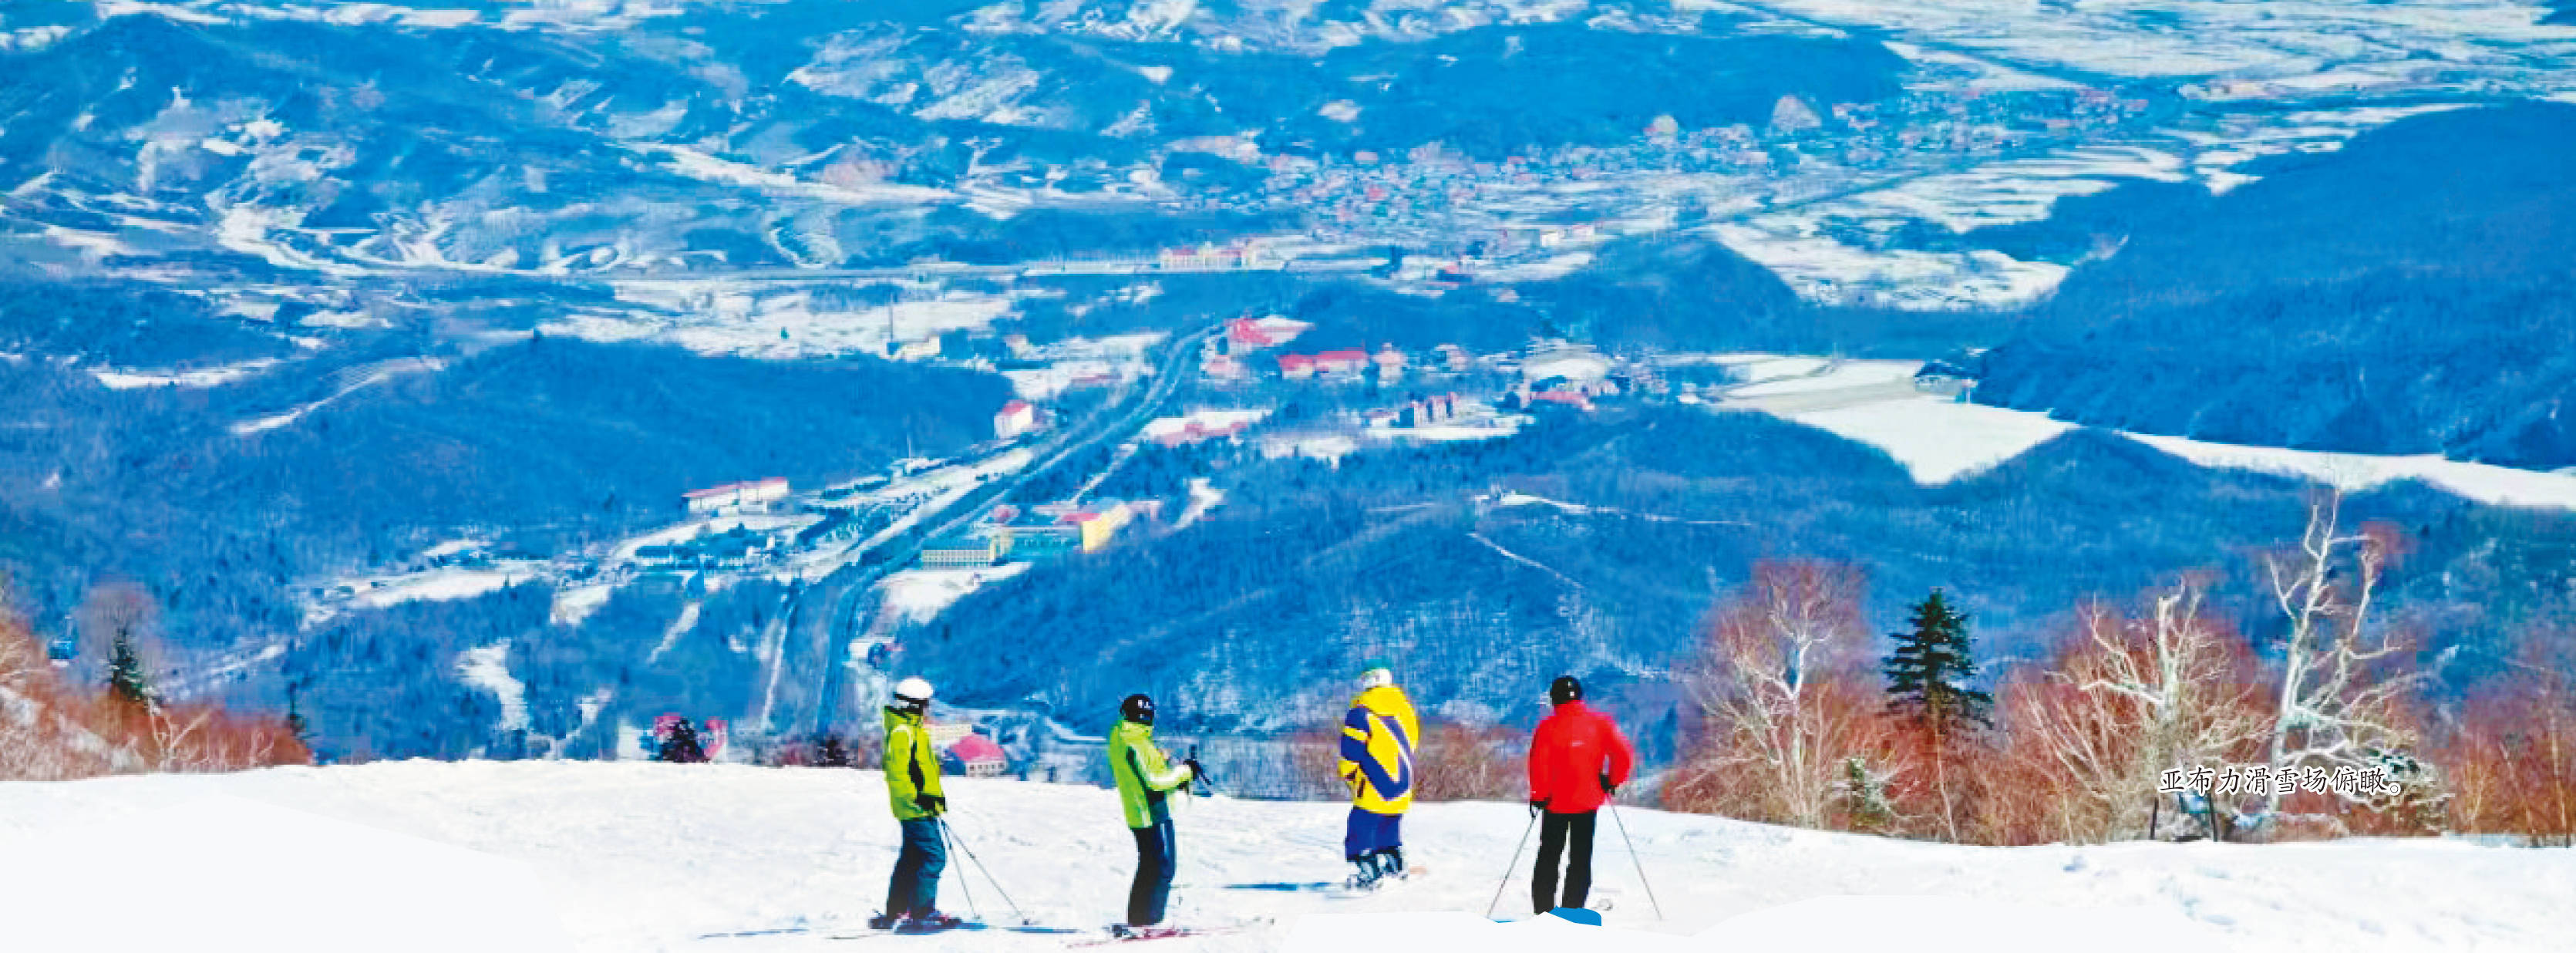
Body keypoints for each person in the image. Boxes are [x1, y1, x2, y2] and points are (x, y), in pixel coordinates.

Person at [1527, 675, 1635, 915]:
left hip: (1555, 804)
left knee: (1549, 856)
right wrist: (1611, 780)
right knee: (1580, 858)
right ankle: (1572, 912)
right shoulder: (1600, 723)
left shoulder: (1547, 728)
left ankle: (1543, 913)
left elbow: (1538, 764)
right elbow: (1624, 754)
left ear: (1554, 699)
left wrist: (1539, 795)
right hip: (1588, 802)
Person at [871, 678, 963, 932]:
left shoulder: (912, 729)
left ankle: (898, 911)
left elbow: (922, 772)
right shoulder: (903, 733)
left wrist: (929, 799)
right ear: (913, 705)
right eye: (925, 704)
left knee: (912, 859)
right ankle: (921, 911)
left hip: (920, 807)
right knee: (934, 856)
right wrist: (917, 799)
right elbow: (898, 775)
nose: (928, 709)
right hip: (914, 809)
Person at [1108, 693, 1200, 932]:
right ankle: (1152, 922)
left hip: (1142, 811)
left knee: (1149, 865)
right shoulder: (1134, 742)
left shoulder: (1127, 737)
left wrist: (1162, 760)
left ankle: (1138, 921)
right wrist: (1185, 773)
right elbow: (1153, 781)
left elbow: (1144, 770)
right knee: (1163, 866)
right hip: (1151, 812)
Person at [1336, 660, 1419, 887]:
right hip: (1402, 778)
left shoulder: (1361, 713)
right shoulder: (1405, 709)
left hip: (1374, 779)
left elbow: (1351, 750)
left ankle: (1367, 871)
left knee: (1361, 823)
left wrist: (1347, 772)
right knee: (1390, 821)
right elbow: (1412, 742)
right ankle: (1395, 864)